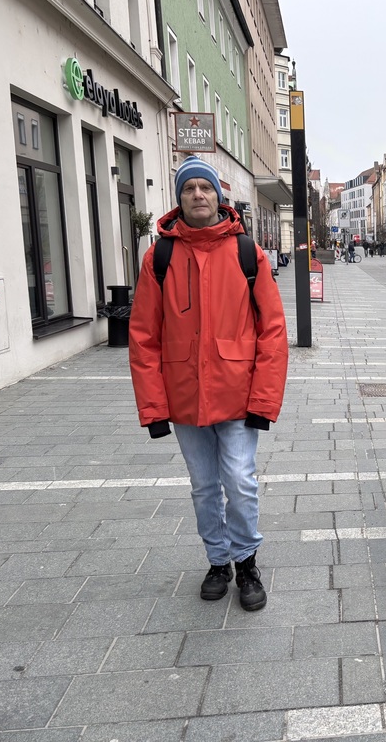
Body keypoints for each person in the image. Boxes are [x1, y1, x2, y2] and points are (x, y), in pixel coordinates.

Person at [129, 155, 289, 611]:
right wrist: (153, 408)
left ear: (218, 196)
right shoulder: (160, 257)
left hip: (238, 394)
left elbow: (273, 332)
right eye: (189, 188)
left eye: (205, 187)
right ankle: (218, 562)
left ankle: (247, 561)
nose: (197, 195)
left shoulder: (246, 252)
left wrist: (264, 401)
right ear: (179, 198)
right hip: (184, 397)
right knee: (203, 486)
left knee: (239, 480)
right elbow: (143, 336)